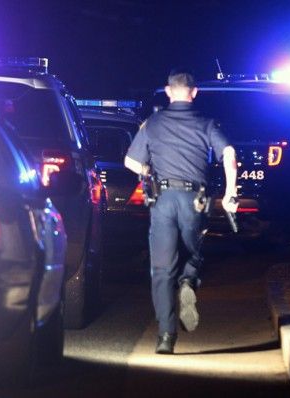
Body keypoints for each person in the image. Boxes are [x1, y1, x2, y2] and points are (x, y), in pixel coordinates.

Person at [124, 69, 238, 354]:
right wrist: (230, 193)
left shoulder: (153, 122)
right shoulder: (206, 122)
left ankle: (165, 336)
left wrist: (148, 170)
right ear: (194, 92)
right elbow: (230, 154)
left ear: (168, 91)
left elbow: (130, 162)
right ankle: (188, 280)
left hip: (162, 200)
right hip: (195, 200)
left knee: (161, 270)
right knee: (194, 252)